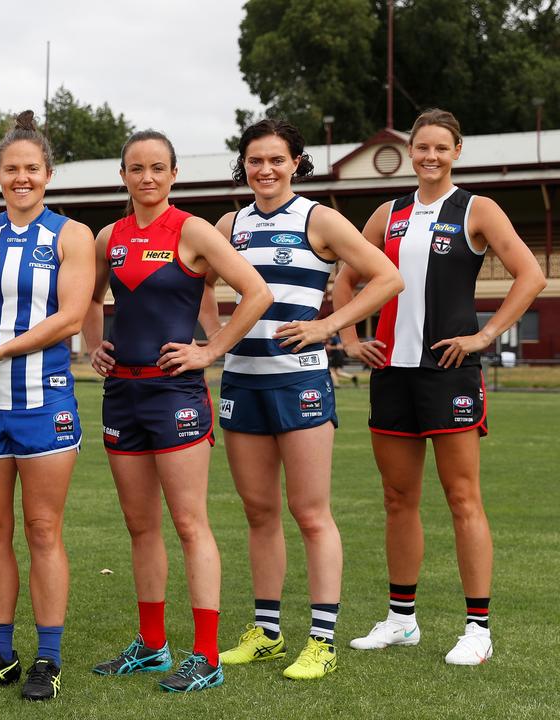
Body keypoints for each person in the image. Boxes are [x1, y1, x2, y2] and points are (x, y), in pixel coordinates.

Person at [335, 109, 545, 665]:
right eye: (421, 147)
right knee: (398, 499)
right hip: (391, 375)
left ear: (457, 151)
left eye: (440, 148)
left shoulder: (478, 209)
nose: (429, 156)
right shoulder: (389, 212)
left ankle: (478, 630)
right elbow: (346, 278)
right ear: (411, 152)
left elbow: (531, 275)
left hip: (449, 372)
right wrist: (352, 340)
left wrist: (486, 336)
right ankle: (402, 620)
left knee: (462, 498)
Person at [205, 119, 402, 681]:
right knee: (259, 512)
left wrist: (330, 329)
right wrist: (209, 341)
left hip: (300, 384)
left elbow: (387, 277)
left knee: (310, 513)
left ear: (296, 163)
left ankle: (322, 640)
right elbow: (193, 280)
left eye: (276, 160)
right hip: (241, 381)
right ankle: (267, 633)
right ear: (242, 165)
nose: (265, 169)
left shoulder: (319, 218)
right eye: (254, 160)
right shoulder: (228, 224)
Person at [82, 130, 271, 693]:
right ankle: (152, 646)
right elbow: (90, 299)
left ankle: (207, 655)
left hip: (175, 396)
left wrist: (211, 350)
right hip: (123, 394)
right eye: (136, 168)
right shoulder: (108, 236)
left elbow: (255, 291)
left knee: (190, 524)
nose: (147, 177)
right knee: (141, 526)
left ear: (173, 173)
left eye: (157, 168)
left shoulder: (191, 230)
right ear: (123, 176)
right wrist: (94, 345)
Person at [0, 111, 95, 702]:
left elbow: (71, 317)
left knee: (42, 529)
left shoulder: (71, 235)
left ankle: (49, 658)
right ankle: (0, 653)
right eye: (11, 170)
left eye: (31, 169)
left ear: (48, 173)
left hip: (43, 400)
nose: (21, 178)